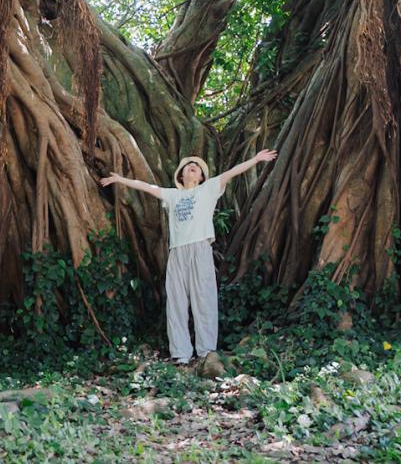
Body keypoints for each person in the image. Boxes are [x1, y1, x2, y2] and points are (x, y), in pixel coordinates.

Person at [99, 148, 277, 364]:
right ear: (181, 175)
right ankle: (181, 354)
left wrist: (256, 159)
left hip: (200, 249)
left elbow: (232, 173)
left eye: (197, 167)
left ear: (201, 176)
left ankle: (206, 352)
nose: (192, 166)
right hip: (177, 252)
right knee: (176, 303)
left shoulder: (209, 189)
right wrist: (120, 179)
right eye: (188, 166)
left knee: (204, 299)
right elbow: (146, 187)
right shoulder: (173, 195)